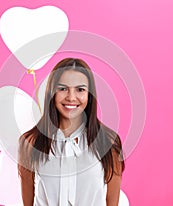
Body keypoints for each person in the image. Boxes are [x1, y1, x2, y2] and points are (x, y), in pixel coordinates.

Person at [18, 58, 125, 206]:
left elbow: (112, 202)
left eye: (80, 90)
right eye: (63, 88)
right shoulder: (30, 142)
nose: (71, 97)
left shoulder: (108, 142)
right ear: (52, 92)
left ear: (89, 94)